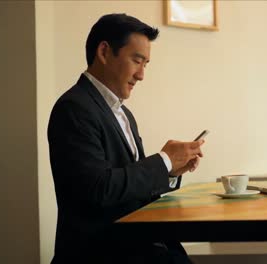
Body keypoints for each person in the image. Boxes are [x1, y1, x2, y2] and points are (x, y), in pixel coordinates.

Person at [48, 13, 204, 264]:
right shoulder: (74, 108)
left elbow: (131, 188)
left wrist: (172, 171)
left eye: (146, 64)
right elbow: (98, 189)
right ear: (104, 52)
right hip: (102, 253)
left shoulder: (124, 114)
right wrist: (163, 161)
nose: (142, 74)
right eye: (137, 60)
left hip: (138, 245)